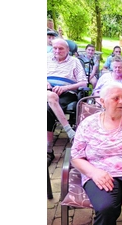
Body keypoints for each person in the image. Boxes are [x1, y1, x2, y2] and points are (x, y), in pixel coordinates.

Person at [71, 81, 122, 225]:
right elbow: (76, 156)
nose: (121, 102)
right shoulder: (88, 123)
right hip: (99, 172)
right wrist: (93, 173)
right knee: (106, 207)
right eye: (116, 98)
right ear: (102, 101)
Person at [47, 38, 88, 166]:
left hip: (67, 93)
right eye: (55, 48)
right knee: (49, 101)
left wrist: (65, 87)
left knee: (47, 110)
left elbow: (84, 82)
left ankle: (48, 150)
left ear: (68, 50)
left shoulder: (75, 62)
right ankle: (69, 131)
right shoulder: (45, 58)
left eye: (61, 48)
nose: (57, 51)